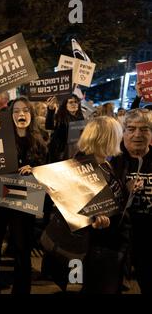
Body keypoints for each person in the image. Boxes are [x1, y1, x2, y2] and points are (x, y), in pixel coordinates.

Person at [0, 96, 48, 294]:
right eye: (17, 110)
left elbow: (47, 171)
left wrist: (35, 169)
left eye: (26, 110)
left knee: (22, 248)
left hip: (24, 201)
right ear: (10, 115)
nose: (21, 114)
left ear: (31, 115)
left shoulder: (40, 141)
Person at [76, 116, 132, 293]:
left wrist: (127, 189)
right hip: (97, 245)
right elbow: (74, 205)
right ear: (106, 138)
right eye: (118, 133)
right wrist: (94, 218)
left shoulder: (104, 163)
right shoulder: (84, 167)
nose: (122, 137)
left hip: (111, 241)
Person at [111, 108, 152, 294]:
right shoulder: (112, 161)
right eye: (131, 129)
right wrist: (125, 189)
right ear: (123, 132)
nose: (137, 134)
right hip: (116, 237)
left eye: (144, 129)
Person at [46, 95, 84, 162]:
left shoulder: (81, 117)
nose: (74, 104)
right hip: (61, 155)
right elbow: (49, 126)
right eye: (70, 102)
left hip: (76, 153)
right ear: (65, 105)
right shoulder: (59, 117)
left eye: (76, 102)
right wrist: (50, 110)